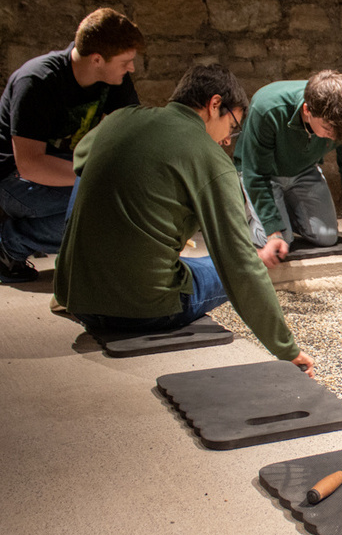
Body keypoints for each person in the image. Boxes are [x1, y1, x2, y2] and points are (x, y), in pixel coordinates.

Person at [53, 64, 314, 376]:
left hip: (77, 296)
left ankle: (63, 285)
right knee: (245, 263)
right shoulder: (209, 158)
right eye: (232, 126)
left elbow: (81, 157)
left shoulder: (122, 118)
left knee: (91, 173)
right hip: (140, 311)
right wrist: (287, 350)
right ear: (214, 104)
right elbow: (238, 265)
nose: (229, 140)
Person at [0, 8, 145, 283]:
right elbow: (31, 164)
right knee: (107, 207)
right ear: (97, 59)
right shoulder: (37, 81)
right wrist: (102, 181)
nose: (132, 68)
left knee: (124, 203)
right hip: (15, 178)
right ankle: (8, 242)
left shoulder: (114, 79)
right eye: (126, 61)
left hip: (64, 163)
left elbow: (134, 133)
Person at [232, 70, 342, 269]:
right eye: (327, 128)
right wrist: (274, 232)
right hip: (265, 174)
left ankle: (285, 215)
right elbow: (256, 174)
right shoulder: (268, 108)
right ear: (307, 110)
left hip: (303, 170)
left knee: (327, 237)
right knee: (280, 241)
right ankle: (240, 222)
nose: (333, 136)